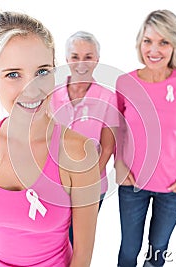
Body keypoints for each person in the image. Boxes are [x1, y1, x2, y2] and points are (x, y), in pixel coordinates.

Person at [0, 7, 100, 267]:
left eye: (42, 72)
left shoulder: (79, 153)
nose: (31, 89)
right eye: (13, 74)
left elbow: (82, 254)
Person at [114, 10, 176, 267]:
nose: (154, 49)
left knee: (158, 250)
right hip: (132, 184)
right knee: (129, 250)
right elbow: (118, 129)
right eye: (148, 41)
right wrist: (118, 164)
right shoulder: (125, 82)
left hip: (175, 186)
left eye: (163, 42)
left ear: (175, 44)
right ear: (140, 43)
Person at [50, 31, 119, 244]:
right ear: (66, 60)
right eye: (75, 56)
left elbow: (108, 147)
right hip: (54, 184)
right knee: (53, 240)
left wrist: (85, 182)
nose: (81, 63)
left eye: (88, 57)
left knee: (77, 242)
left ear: (97, 60)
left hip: (91, 187)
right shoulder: (51, 94)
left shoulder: (108, 98)